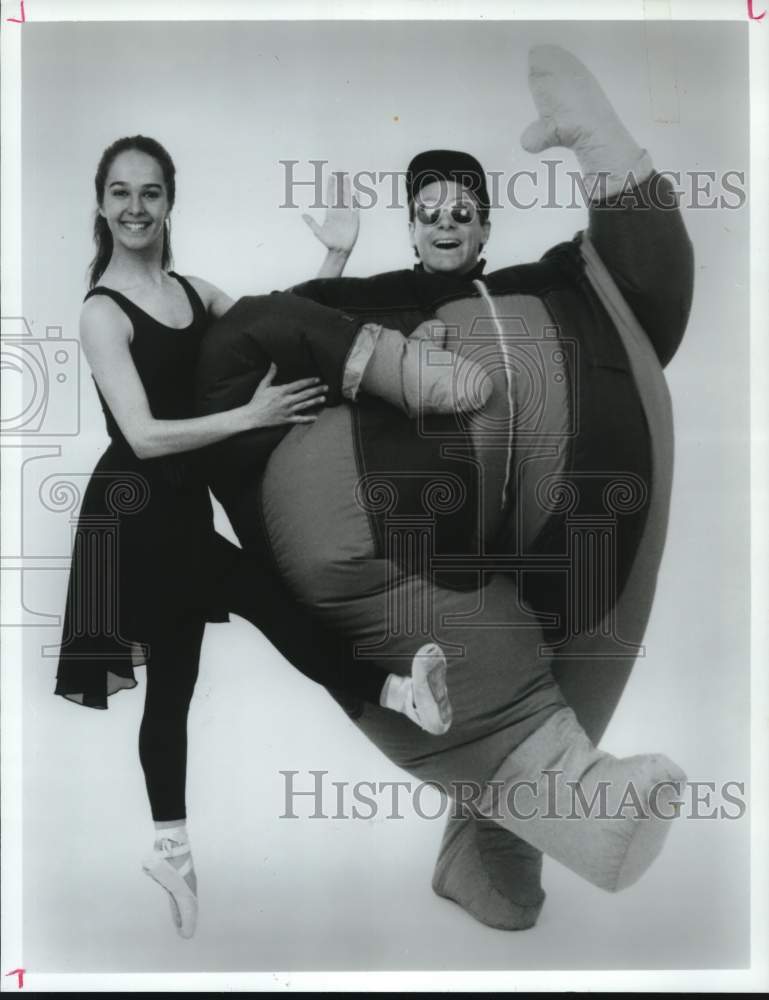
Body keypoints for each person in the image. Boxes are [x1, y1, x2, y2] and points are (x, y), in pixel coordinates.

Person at [194, 45, 694, 929]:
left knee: (588, 607)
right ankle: (565, 797)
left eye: (463, 210)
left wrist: (605, 173)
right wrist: (349, 293)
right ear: (411, 223)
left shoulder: (539, 286)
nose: (446, 223)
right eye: (429, 211)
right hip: (404, 522)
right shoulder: (377, 296)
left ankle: (497, 855)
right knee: (444, 645)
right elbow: (277, 328)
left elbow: (641, 300)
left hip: (575, 484)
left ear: (485, 224)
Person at [54, 135, 496, 939]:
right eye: (120, 193)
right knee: (260, 611)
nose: (135, 208)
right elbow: (146, 435)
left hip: (182, 508)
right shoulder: (100, 311)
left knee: (182, 682)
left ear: (170, 200)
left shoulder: (191, 291)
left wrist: (335, 255)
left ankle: (171, 847)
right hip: (133, 511)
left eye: (149, 192)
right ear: (101, 204)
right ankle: (395, 693)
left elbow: (280, 327)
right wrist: (251, 417)